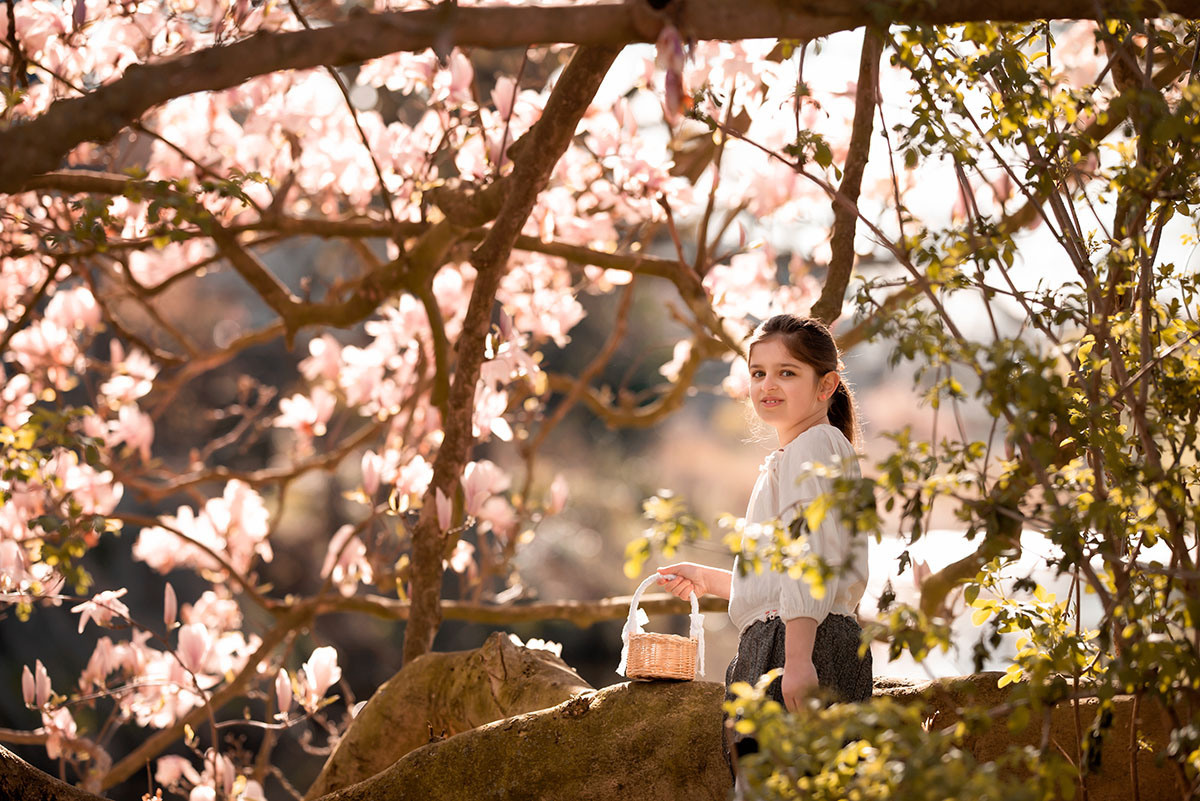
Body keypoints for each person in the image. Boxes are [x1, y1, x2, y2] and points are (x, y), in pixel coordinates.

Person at [655, 313, 872, 784]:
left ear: (826, 385)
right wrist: (712, 580)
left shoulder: (816, 445)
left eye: (786, 372)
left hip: (799, 648)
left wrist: (797, 662)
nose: (767, 385)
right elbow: (785, 576)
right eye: (758, 373)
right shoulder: (797, 453)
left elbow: (810, 560)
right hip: (780, 644)